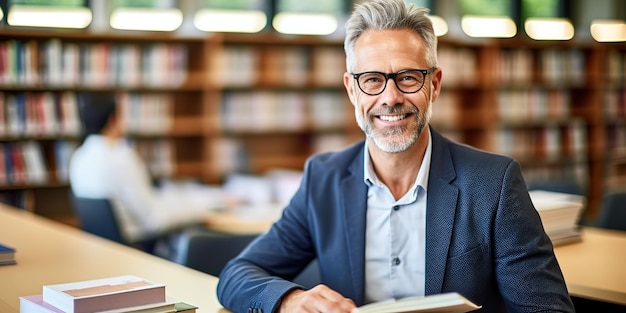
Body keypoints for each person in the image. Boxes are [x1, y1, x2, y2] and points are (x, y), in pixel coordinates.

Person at [216, 0, 575, 312]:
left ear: (433, 85)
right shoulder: (323, 178)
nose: (390, 97)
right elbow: (236, 275)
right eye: (372, 79)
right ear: (351, 88)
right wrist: (290, 300)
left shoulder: (492, 184)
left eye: (407, 78)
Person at [68, 92, 212, 256]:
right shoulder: (120, 157)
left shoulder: (78, 157)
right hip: (137, 249)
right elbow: (155, 220)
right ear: (112, 120)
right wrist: (203, 208)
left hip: (103, 251)